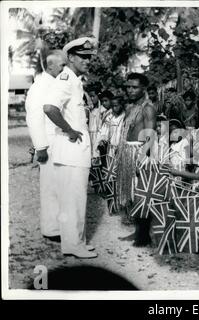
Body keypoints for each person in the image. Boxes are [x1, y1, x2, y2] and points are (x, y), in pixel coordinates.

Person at [43, 37, 98, 259]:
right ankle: (74, 245)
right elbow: (49, 108)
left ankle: (76, 242)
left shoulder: (75, 80)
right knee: (73, 199)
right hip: (71, 149)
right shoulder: (66, 79)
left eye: (89, 57)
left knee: (75, 198)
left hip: (75, 151)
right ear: (71, 57)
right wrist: (70, 130)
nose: (87, 61)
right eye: (83, 57)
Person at [25, 50, 67, 242]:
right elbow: (34, 116)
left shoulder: (54, 83)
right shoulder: (40, 86)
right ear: (50, 66)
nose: (64, 68)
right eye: (62, 65)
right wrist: (40, 146)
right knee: (50, 186)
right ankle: (51, 229)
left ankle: (59, 225)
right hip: (48, 143)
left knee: (59, 185)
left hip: (58, 142)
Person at [116, 72, 156, 247]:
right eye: (128, 87)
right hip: (127, 151)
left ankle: (143, 235)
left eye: (134, 87)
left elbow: (150, 135)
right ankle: (137, 231)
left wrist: (142, 157)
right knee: (130, 193)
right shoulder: (130, 107)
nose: (130, 90)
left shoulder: (148, 108)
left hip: (139, 152)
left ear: (144, 88)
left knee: (141, 194)